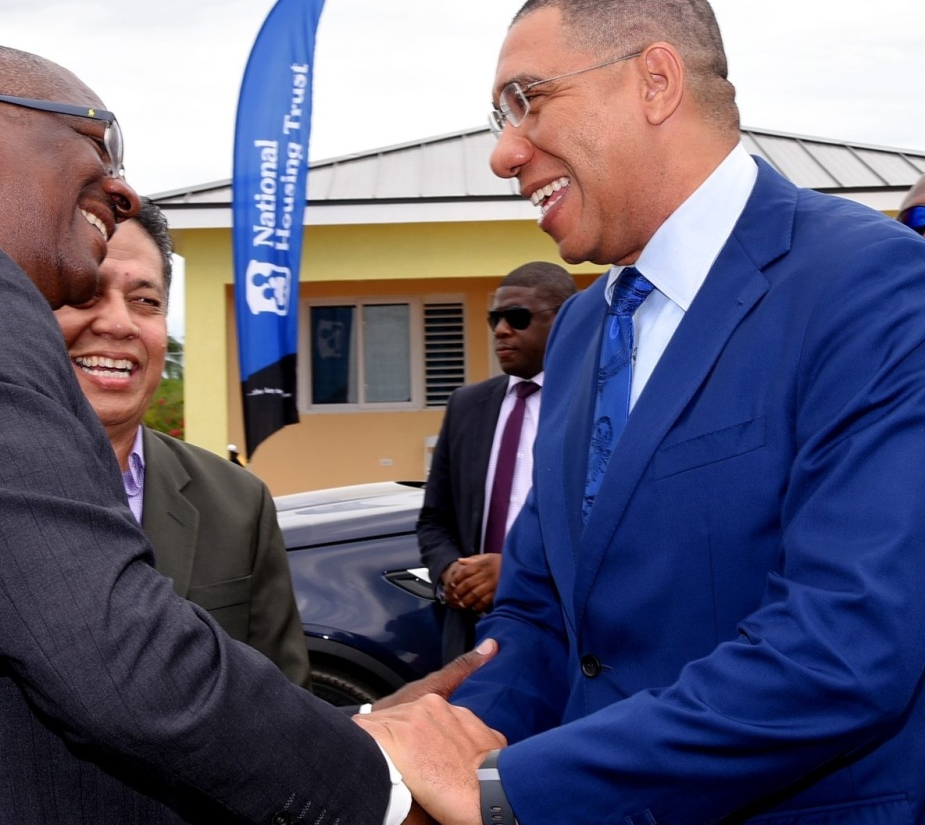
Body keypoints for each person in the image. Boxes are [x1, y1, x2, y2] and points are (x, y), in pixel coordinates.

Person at [0, 40, 501, 824]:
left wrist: (349, 732)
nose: (124, 190)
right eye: (99, 141)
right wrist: (382, 778)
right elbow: (112, 652)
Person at [360, 2, 925, 823]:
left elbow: (844, 647)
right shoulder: (585, 327)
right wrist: (460, 728)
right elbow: (541, 609)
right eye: (498, 117)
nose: (502, 152)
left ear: (654, 81)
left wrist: (512, 789)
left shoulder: (874, 289)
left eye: (527, 99)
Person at [54, 199, 310, 688]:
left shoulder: (237, 504)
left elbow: (285, 701)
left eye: (145, 301)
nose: (119, 323)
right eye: (86, 292)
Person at [417, 261, 575, 662]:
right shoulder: (466, 405)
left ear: (562, 320)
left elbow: (600, 527)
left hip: (563, 630)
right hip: (473, 633)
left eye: (517, 317)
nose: (502, 330)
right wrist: (452, 572)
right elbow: (434, 520)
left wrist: (516, 569)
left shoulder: (590, 405)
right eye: (495, 319)